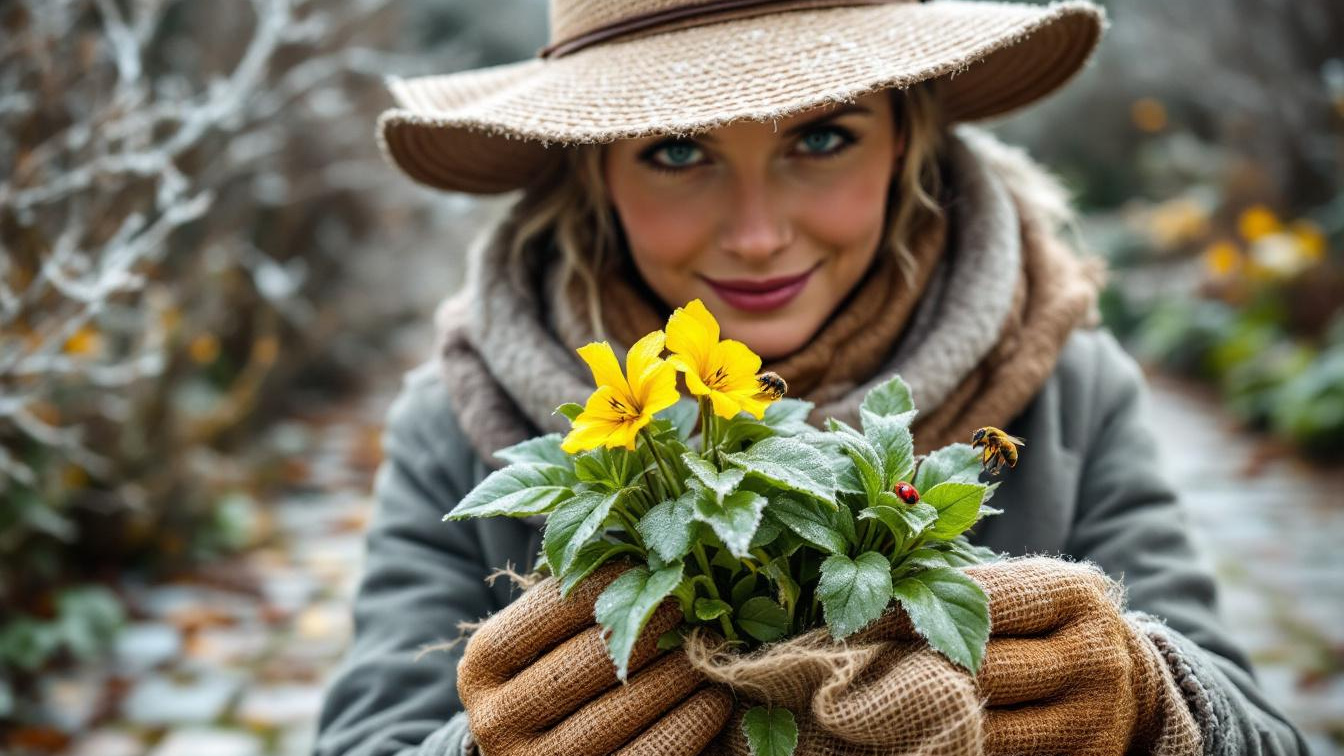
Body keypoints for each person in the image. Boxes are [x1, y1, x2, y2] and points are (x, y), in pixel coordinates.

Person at [316, 0, 1310, 753]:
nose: (757, 235)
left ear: (906, 137)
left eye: (823, 137)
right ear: (590, 169)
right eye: (674, 149)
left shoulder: (1070, 390)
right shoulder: (458, 417)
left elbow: (1266, 730)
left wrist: (1148, 701)